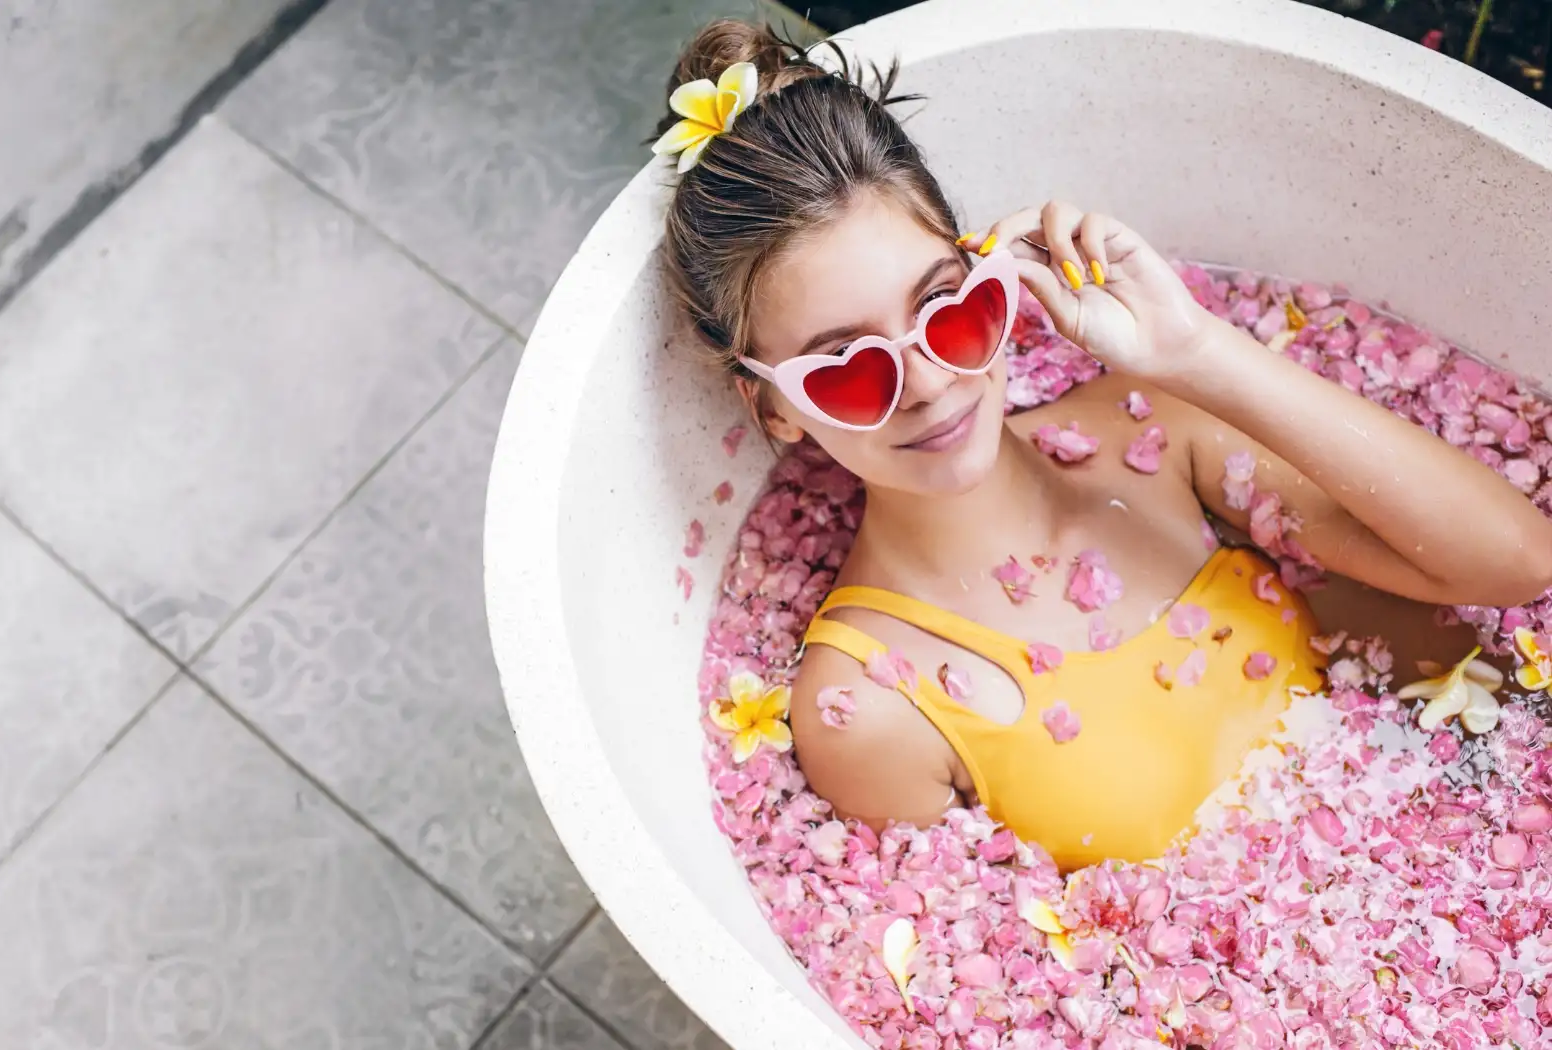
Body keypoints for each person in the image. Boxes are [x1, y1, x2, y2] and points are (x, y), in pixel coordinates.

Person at [653, 21, 1552, 872]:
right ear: (775, 412)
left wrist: (1196, 353)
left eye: (950, 311)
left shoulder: (1152, 434)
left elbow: (1514, 564)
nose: (926, 381)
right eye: (845, 369)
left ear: (994, 274)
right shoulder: (874, 709)